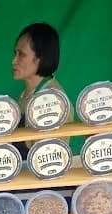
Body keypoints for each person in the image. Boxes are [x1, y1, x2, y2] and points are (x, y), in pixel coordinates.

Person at [12, 23, 73, 156]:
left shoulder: (52, 101)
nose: (14, 61)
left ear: (41, 58)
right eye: (15, 53)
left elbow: (45, 157)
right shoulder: (25, 95)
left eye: (21, 54)